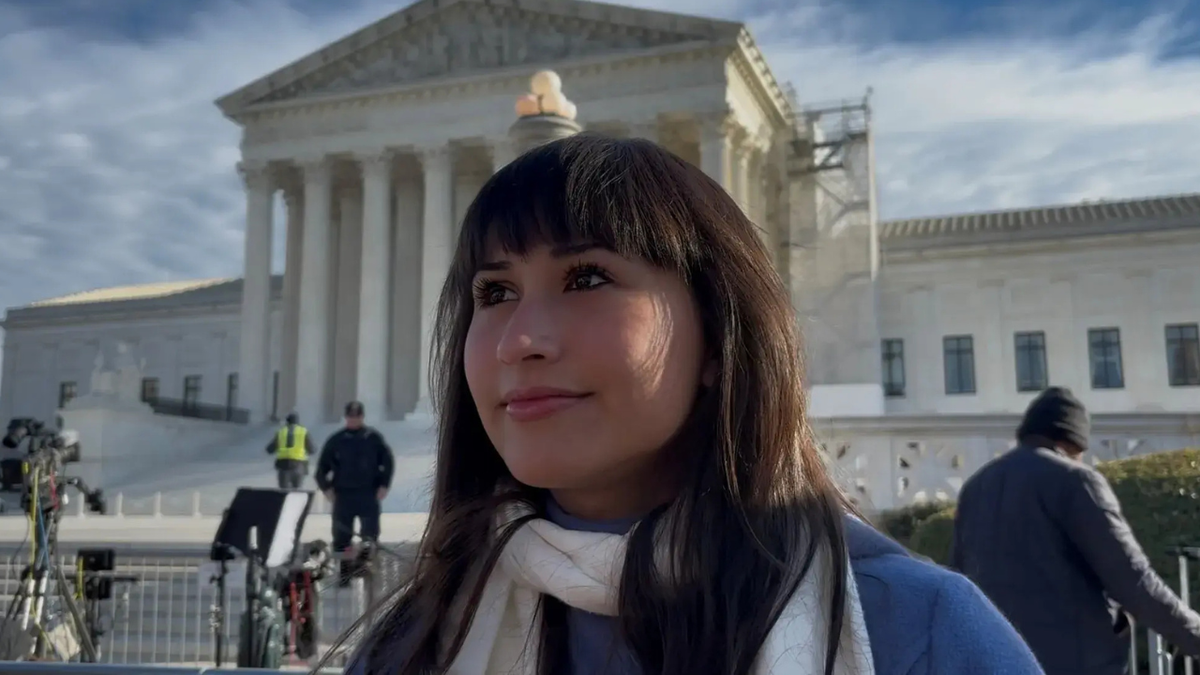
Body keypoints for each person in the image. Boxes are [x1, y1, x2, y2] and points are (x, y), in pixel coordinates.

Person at [333, 134, 1041, 675]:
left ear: (717, 337)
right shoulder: (417, 639)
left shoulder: (919, 632)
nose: (521, 339)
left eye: (586, 276)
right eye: (494, 292)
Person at [952, 386, 1200, 674]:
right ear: (1073, 442)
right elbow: (1134, 580)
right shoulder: (1076, 481)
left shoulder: (976, 487)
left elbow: (959, 583)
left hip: (994, 661)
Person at [314, 401, 394, 557]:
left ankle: (368, 573)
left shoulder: (373, 438)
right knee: (341, 539)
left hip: (368, 494)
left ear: (362, 417)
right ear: (345, 417)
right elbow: (321, 470)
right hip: (343, 496)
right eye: (350, 416)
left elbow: (388, 462)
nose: (353, 420)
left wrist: (384, 485)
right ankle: (344, 577)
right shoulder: (336, 440)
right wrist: (326, 489)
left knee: (369, 539)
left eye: (357, 416)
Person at [264, 412, 314, 489]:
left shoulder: (281, 432)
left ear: (287, 422)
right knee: (297, 491)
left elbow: (269, 450)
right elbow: (312, 450)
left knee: (283, 491)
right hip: (298, 465)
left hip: (283, 465)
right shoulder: (303, 432)